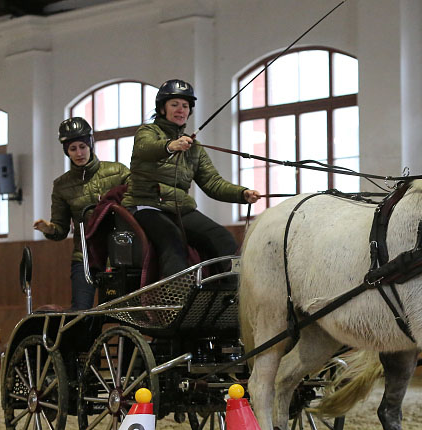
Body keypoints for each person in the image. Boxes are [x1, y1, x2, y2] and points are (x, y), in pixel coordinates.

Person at [122, 79, 260, 277]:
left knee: (223, 238)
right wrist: (170, 146)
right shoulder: (148, 132)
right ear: (162, 109)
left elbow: (212, 183)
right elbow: (145, 149)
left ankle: (231, 294)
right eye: (174, 104)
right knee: (172, 239)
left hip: (179, 208)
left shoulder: (193, 147)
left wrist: (242, 193)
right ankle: (173, 300)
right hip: (146, 205)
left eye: (185, 106)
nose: (181, 110)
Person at [34, 117, 130, 310]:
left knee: (125, 313)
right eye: (73, 149)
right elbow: (60, 230)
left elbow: (139, 195)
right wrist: (50, 228)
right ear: (66, 151)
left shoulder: (117, 171)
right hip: (84, 256)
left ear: (90, 144)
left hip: (120, 254)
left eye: (82, 146)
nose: (79, 153)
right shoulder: (61, 185)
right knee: (80, 311)